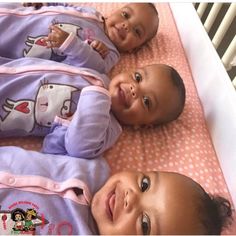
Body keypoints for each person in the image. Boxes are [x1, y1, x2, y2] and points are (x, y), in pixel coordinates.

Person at [0, 146, 232, 235]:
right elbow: (56, 141)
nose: (131, 198)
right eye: (144, 185)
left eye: (144, 225)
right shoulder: (94, 164)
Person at [0, 57, 185, 157]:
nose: (134, 89)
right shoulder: (100, 75)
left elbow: (77, 147)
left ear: (143, 125)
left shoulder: (108, 128)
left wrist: (97, 97)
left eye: (146, 101)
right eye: (137, 77)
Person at [0, 2, 159, 74]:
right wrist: (45, 3)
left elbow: (96, 68)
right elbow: (66, 7)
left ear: (133, 49)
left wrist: (71, 44)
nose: (126, 25)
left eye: (137, 31)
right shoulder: (92, 13)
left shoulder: (109, 52)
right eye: (125, 14)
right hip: (18, 15)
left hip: (19, 47)